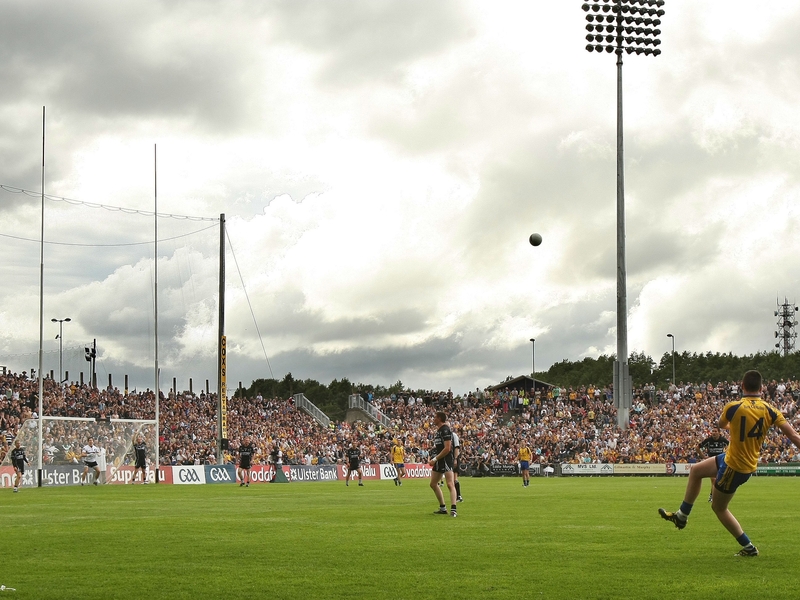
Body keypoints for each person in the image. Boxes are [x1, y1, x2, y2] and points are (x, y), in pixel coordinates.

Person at [659, 370, 800, 557]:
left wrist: (732, 426)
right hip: (737, 460)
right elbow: (793, 435)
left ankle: (749, 547)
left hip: (734, 466)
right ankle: (681, 516)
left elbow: (721, 423)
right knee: (696, 470)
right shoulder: (771, 410)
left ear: (742, 386)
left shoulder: (733, 407)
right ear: (761, 388)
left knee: (719, 508)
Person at [428, 411, 457, 517]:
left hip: (445, 459)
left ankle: (453, 509)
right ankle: (442, 507)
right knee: (433, 484)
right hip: (439, 459)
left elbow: (447, 448)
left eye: (435, 417)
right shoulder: (439, 430)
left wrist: (435, 459)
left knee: (450, 484)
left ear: (439, 418)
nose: (433, 419)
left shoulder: (445, 430)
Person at [698, 427, 729, 502]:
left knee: (720, 480)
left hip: (721, 462)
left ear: (719, 432)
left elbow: (730, 446)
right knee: (714, 480)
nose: (713, 433)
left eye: (715, 431)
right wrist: (703, 456)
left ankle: (715, 495)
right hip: (711, 462)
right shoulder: (708, 440)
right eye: (713, 431)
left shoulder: (723, 440)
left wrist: (727, 454)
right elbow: (698, 447)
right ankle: (712, 496)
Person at [452, 428, 463, 502]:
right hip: (452, 458)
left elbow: (457, 448)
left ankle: (458, 496)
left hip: (454, 459)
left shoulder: (454, 436)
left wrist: (455, 459)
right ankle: (458, 496)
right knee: (453, 480)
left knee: (454, 479)